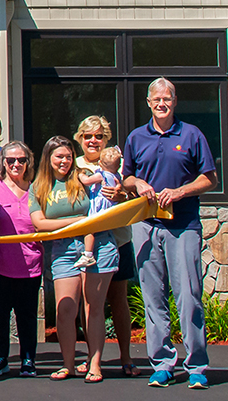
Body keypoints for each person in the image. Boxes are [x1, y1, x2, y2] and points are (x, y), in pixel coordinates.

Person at [122, 78, 217, 389]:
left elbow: (210, 178)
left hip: (183, 225)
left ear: (175, 102)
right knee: (153, 297)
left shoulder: (191, 134)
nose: (161, 103)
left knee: (188, 295)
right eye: (156, 99)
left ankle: (197, 366)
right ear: (148, 103)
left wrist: (179, 192)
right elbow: (127, 179)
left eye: (167, 98)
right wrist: (138, 185)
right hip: (146, 225)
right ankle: (162, 363)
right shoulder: (137, 137)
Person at [30, 136, 117, 383]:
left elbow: (108, 196)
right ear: (48, 158)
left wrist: (118, 192)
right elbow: (40, 223)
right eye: (59, 156)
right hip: (63, 249)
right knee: (65, 308)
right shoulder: (39, 186)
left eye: (68, 156)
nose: (65, 161)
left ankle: (95, 364)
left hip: (97, 245)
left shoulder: (84, 177)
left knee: (93, 307)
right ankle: (67, 364)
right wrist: (78, 221)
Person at [73, 115, 138, 377]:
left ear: (106, 139)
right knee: (89, 304)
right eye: (88, 136)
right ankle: (92, 359)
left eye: (99, 136)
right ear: (80, 139)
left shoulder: (118, 165)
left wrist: (122, 194)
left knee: (118, 300)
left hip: (119, 240)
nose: (93, 141)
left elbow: (135, 198)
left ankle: (126, 357)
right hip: (86, 244)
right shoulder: (73, 164)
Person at [0, 141, 41, 378]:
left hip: (30, 264)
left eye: (21, 160)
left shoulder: (37, 189)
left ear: (28, 162)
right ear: (3, 163)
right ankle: (0, 358)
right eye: (10, 160)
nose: (16, 164)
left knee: (27, 314)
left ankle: (28, 359)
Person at [75, 146, 123, 269]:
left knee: (89, 228)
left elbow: (86, 181)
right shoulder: (116, 176)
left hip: (99, 206)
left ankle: (88, 254)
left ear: (100, 163)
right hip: (110, 207)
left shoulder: (102, 175)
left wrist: (79, 174)